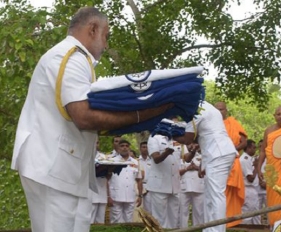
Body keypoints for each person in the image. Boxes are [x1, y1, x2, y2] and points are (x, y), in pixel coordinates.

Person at [10, 7, 172, 232]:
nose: (106, 45)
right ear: (93, 29)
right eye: (106, 36)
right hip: (52, 165)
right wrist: (140, 114)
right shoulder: (70, 56)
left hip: (63, 167)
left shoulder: (74, 57)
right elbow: (83, 116)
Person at [173, 101, 237, 232]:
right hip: (216, 153)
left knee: (215, 195)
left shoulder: (196, 110)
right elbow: (204, 136)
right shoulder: (205, 106)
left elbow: (188, 139)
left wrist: (168, 133)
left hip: (219, 153)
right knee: (209, 196)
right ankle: (209, 229)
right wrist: (204, 163)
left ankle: (217, 230)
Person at [214, 101, 246, 227]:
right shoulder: (211, 125)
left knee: (232, 193)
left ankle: (233, 222)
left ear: (226, 110)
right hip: (217, 163)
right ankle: (219, 222)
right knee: (218, 192)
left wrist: (230, 151)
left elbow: (244, 142)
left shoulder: (233, 123)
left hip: (233, 161)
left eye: (221, 109)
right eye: (217, 110)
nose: (219, 112)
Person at [147, 134, 184, 229]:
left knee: (174, 217)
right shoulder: (154, 137)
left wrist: (193, 151)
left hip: (174, 184)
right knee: (159, 218)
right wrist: (167, 153)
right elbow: (156, 159)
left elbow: (186, 157)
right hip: (159, 185)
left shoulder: (178, 138)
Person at [108, 140, 143, 223]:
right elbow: (107, 179)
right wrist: (108, 196)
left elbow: (139, 179)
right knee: (115, 220)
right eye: (122, 146)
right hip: (116, 195)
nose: (125, 148)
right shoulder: (112, 161)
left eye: (127, 146)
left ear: (129, 148)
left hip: (130, 195)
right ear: (118, 148)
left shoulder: (135, 162)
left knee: (129, 220)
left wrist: (140, 196)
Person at [179, 147, 205, 228]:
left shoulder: (203, 154)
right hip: (184, 186)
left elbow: (207, 170)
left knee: (199, 211)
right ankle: (183, 229)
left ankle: (197, 228)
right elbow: (177, 172)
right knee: (183, 210)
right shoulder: (182, 154)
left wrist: (197, 168)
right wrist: (187, 168)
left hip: (199, 186)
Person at [239, 139, 261, 224]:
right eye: (253, 148)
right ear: (248, 148)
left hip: (253, 189)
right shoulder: (244, 159)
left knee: (256, 214)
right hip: (248, 189)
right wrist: (256, 167)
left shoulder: (249, 159)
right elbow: (250, 178)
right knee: (248, 214)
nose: (255, 150)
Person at [91, 141, 108, 224]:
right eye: (94, 142)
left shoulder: (104, 157)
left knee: (101, 219)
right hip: (91, 190)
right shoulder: (86, 155)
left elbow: (109, 176)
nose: (96, 145)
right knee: (90, 217)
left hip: (102, 187)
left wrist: (109, 171)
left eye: (97, 143)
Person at [138, 141, 152, 214]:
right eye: (143, 147)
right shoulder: (136, 160)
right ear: (140, 148)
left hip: (149, 187)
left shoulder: (152, 161)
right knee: (138, 208)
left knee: (149, 209)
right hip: (138, 186)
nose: (145, 149)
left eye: (147, 147)